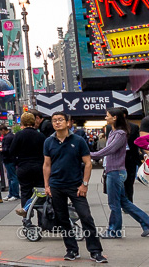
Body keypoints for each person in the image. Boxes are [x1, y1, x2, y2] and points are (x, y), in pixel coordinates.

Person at [44, 111, 106, 263]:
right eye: (54, 120)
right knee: (63, 219)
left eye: (60, 120)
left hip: (76, 186)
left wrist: (84, 184)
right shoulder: (48, 142)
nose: (57, 123)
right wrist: (47, 185)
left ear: (67, 122)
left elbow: (88, 163)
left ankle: (95, 251)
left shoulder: (78, 141)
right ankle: (71, 250)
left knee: (86, 217)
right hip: (56, 186)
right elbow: (47, 165)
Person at [91, 108, 149, 238]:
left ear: (115, 118)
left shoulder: (120, 134)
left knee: (114, 203)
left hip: (116, 172)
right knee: (124, 202)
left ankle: (114, 231)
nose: (106, 118)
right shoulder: (113, 132)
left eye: (107, 116)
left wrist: (89, 154)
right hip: (113, 171)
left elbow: (108, 150)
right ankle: (147, 223)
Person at [121, 108, 141, 203]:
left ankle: (129, 202)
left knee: (129, 182)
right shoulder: (111, 127)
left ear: (124, 115)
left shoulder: (134, 127)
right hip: (117, 160)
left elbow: (137, 143)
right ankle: (124, 201)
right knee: (120, 183)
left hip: (131, 158)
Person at [0, 124, 20, 201]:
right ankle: (11, 194)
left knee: (12, 177)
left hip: (9, 159)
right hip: (11, 159)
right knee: (10, 177)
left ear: (3, 130)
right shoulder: (11, 136)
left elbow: (7, 149)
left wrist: (1, 149)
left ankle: (14, 194)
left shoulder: (8, 138)